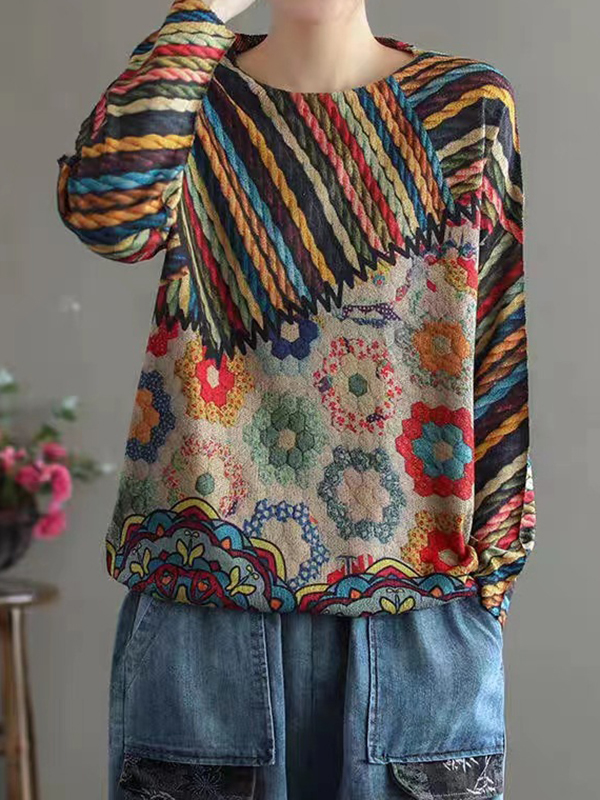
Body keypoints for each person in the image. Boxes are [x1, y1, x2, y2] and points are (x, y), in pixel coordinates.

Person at [55, 0, 536, 797]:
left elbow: (499, 343)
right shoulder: (192, 94)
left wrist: (489, 589)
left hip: (416, 609)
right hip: (202, 602)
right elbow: (109, 215)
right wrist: (202, 11)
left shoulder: (465, 105)